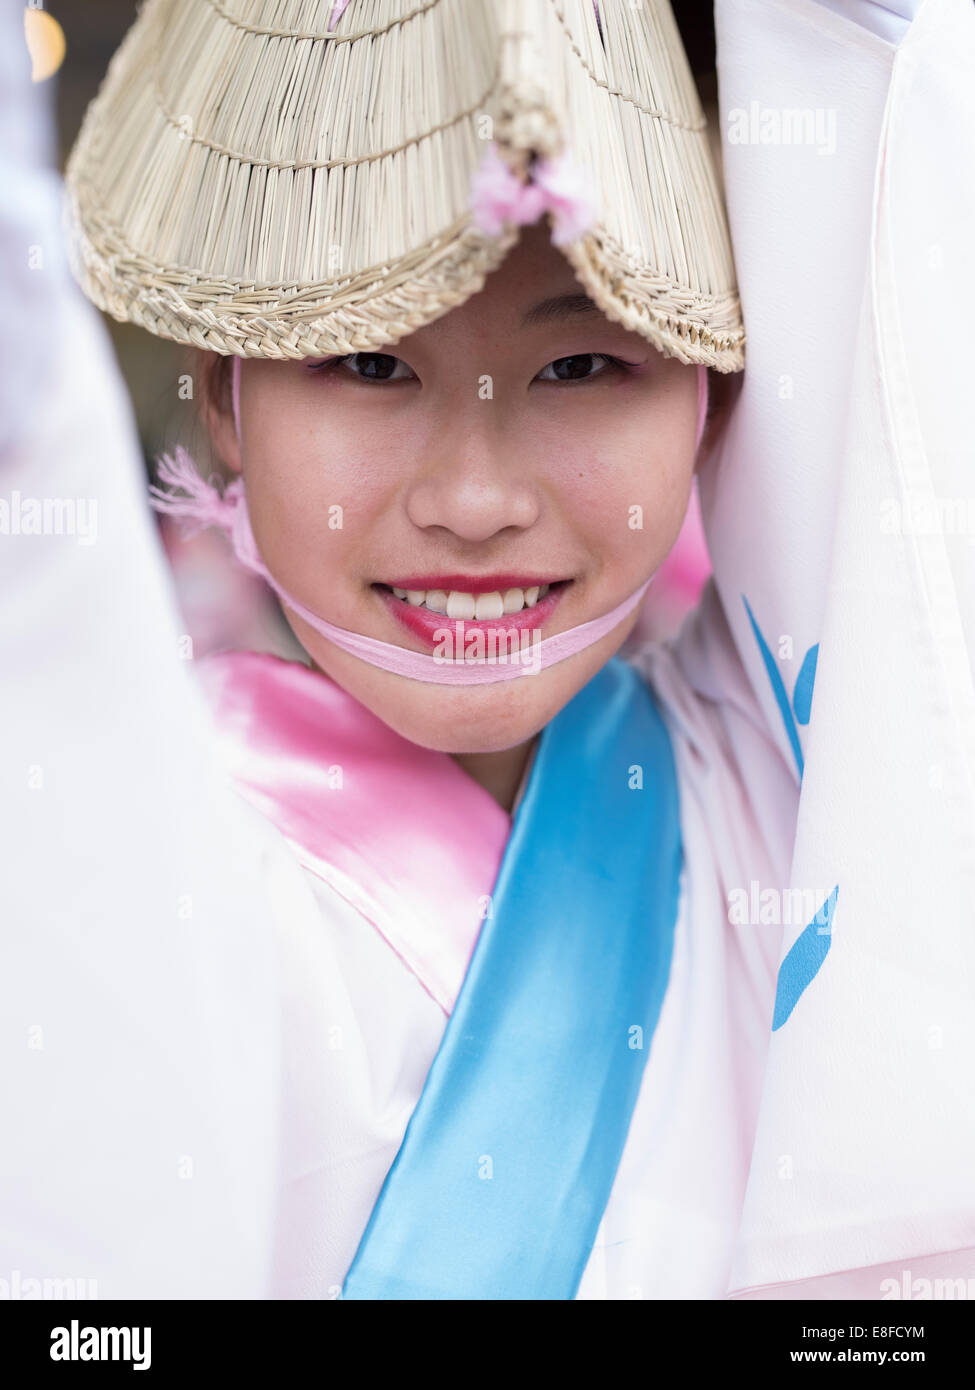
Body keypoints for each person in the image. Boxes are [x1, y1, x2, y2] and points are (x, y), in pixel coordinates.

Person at [4, 0, 973, 1300]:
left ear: (718, 392)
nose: (474, 498)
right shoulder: (116, 859)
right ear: (223, 387)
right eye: (365, 361)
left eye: (581, 366)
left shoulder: (800, 799)